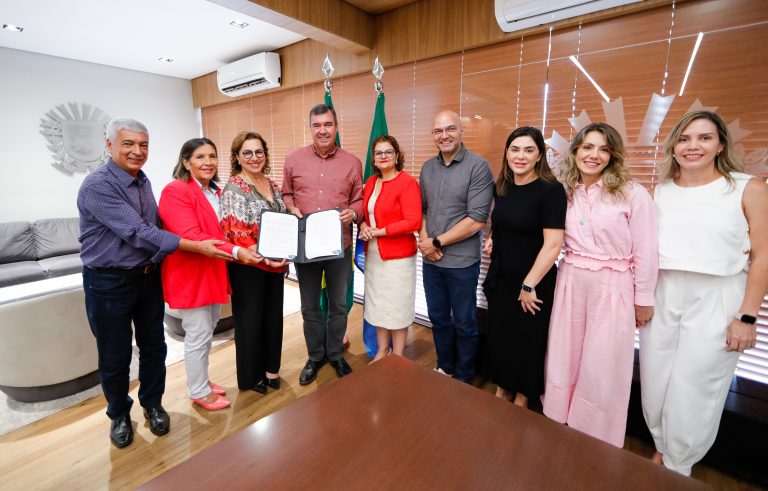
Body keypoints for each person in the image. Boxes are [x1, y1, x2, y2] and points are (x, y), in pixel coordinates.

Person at [77, 118, 233, 448]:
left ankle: (152, 404)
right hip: (108, 283)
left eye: (143, 145)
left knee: (154, 348)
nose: (137, 151)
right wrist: (193, 244)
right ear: (109, 145)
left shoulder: (143, 181)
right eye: (128, 144)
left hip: (147, 278)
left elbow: (155, 227)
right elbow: (139, 232)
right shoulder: (98, 185)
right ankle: (119, 414)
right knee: (116, 355)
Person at [640, 111, 768, 475]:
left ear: (720, 145)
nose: (693, 145)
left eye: (704, 137)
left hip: (718, 297)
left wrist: (747, 316)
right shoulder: (659, 192)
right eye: (684, 138)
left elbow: (763, 257)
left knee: (693, 390)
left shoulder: (748, 187)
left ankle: (677, 466)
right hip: (664, 294)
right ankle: (662, 451)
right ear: (674, 146)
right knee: (656, 385)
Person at [543, 122, 658, 447]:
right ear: (576, 150)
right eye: (588, 147)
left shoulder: (632, 193)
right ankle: (557, 418)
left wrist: (644, 298)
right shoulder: (564, 189)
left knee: (603, 362)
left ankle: (594, 437)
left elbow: (647, 250)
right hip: (572, 278)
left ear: (613, 155)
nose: (594, 155)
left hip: (614, 285)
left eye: (603, 148)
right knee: (564, 353)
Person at [159, 138, 261, 410]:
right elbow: (191, 235)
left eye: (212, 156)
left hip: (214, 270)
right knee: (198, 334)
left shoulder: (214, 191)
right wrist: (238, 251)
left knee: (208, 330)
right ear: (185, 162)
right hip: (191, 273)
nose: (208, 162)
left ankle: (202, 379)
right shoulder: (176, 190)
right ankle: (199, 391)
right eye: (200, 157)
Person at [482, 127, 566, 408]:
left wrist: (528, 285)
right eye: (515, 149)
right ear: (506, 153)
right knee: (501, 339)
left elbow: (553, 244)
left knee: (527, 345)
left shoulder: (551, 190)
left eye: (528, 150)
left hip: (533, 282)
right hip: (502, 277)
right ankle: (502, 390)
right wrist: (494, 239)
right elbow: (504, 221)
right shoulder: (503, 186)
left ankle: (521, 400)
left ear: (539, 155)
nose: (520, 156)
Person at [282, 103, 364, 385]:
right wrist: (291, 207)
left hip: (338, 245)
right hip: (305, 246)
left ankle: (335, 354)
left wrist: (354, 212)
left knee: (339, 304)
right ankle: (315, 356)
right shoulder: (293, 159)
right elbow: (286, 193)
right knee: (310, 307)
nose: (323, 130)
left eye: (328, 125)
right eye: (317, 125)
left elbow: (359, 199)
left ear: (336, 127)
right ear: (311, 128)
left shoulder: (352, 162)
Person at [418, 110, 494, 384]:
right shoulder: (427, 168)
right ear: (433, 136)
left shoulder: (478, 167)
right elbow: (423, 211)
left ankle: (463, 376)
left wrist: (437, 242)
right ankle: (445, 367)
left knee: (464, 322)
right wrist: (426, 242)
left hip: (462, 263)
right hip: (432, 262)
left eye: (450, 129)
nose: (444, 135)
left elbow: (476, 221)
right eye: (438, 131)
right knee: (438, 318)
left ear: (461, 131)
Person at [220, 131, 289, 394]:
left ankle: (272, 369)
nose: (254, 157)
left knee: (273, 319)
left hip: (276, 265)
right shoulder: (234, 188)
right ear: (237, 157)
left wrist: (281, 256)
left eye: (259, 152)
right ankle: (251, 377)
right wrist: (265, 259)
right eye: (247, 153)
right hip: (249, 267)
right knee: (250, 321)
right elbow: (234, 230)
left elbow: (282, 222)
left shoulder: (272, 185)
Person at [359, 135, 422, 361]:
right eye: (378, 153)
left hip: (398, 257)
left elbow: (413, 221)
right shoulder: (370, 183)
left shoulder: (407, 183)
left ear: (397, 156)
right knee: (378, 305)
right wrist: (365, 225)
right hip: (374, 255)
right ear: (373, 159)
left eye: (388, 152)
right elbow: (365, 215)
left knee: (397, 307)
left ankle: (397, 355)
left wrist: (379, 231)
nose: (383, 156)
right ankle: (381, 350)